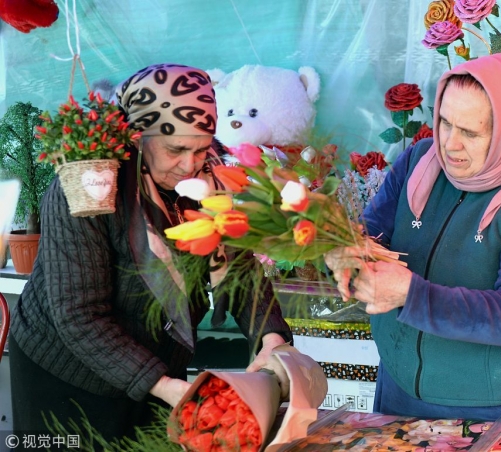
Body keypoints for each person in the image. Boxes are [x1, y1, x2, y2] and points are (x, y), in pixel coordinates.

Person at [10, 64, 292, 444]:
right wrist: (164, 386)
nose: (191, 164)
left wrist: (271, 338)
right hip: (68, 378)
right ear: (138, 136)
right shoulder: (90, 183)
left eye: (201, 148)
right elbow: (79, 315)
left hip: (159, 371)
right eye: (176, 149)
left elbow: (239, 267)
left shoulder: (209, 178)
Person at [325, 53, 501, 424]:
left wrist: (410, 294)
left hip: (499, 405)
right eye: (444, 122)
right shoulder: (417, 162)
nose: (450, 145)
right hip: (400, 387)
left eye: (471, 132)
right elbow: (371, 232)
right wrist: (344, 249)